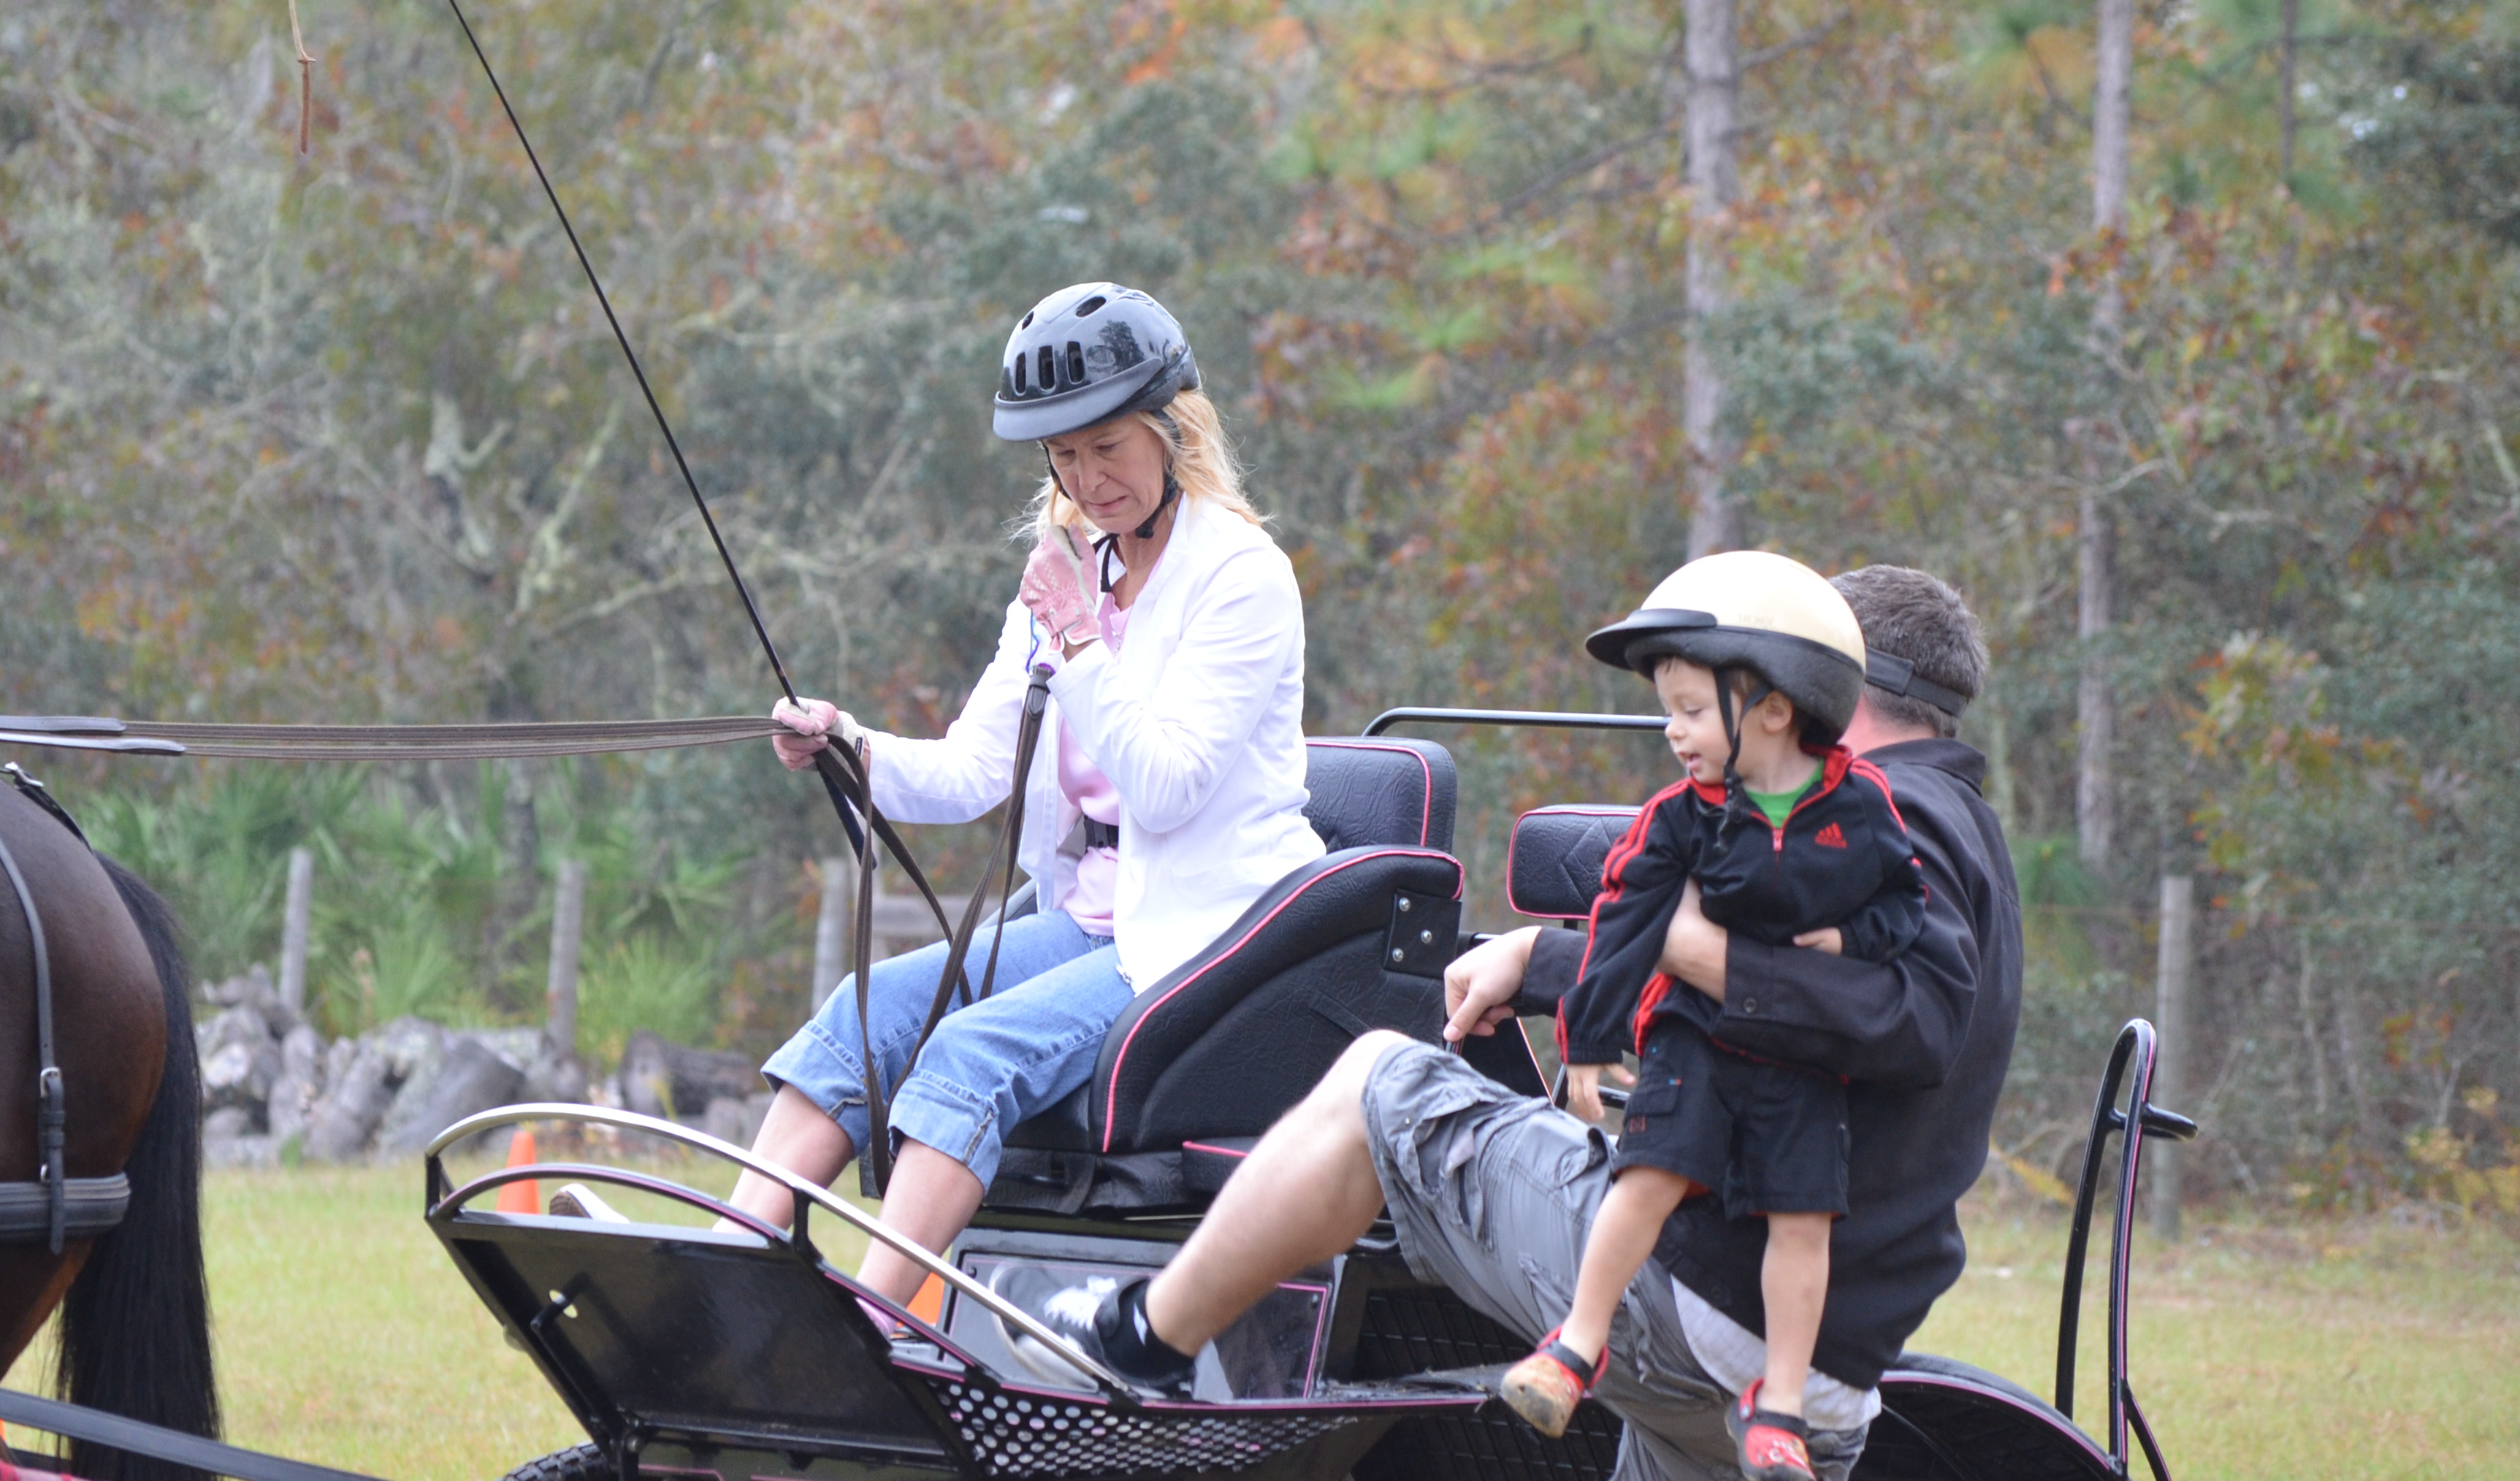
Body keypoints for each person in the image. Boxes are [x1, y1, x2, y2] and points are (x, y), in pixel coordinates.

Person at [1020, 564, 2022, 1481]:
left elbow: (1910, 1022)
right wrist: (1548, 961)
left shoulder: (1893, 817)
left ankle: (1137, 1341)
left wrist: (1668, 942)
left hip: (1700, 1294)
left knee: (1379, 1081)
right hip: (1820, 1373)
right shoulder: (1952, 835)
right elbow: (1800, 992)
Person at [731, 282, 1325, 1318]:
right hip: (1094, 922)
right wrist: (848, 746)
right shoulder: (1065, 571)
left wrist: (1083, 641)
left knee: (971, 1051)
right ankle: (721, 1278)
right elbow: (973, 771)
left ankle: (865, 1327)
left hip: (1208, 936)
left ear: (1172, 430)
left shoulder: (1243, 577)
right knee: (867, 1012)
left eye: (1107, 448)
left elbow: (1167, 789)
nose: (1086, 481)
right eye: (1063, 456)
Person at [1497, 554, 1926, 1481]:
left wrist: (1850, 939)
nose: (1672, 731)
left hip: (1800, 1058)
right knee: (1647, 1177)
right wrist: (1587, 1041)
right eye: (1670, 711)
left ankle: (1779, 1410)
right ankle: (1575, 1347)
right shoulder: (1678, 819)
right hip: (1693, 1036)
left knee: (1803, 1224)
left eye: (1691, 710)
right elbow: (1623, 924)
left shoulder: (1862, 810)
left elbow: (1905, 904)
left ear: (1773, 706)